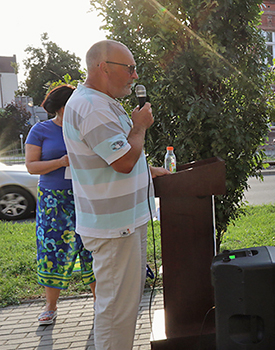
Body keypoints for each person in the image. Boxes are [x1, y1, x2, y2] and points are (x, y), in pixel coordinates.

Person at [62, 40, 168, 349]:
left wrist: (148, 172)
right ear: (103, 68)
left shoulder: (100, 102)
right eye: (130, 68)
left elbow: (105, 161)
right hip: (114, 228)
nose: (135, 76)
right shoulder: (92, 107)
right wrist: (140, 127)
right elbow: (122, 161)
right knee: (115, 313)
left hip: (123, 223)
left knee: (123, 308)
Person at [25, 85, 96, 326]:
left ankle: (100, 303)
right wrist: (61, 162)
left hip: (86, 196)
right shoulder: (41, 130)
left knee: (93, 248)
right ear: (64, 106)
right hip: (54, 202)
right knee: (53, 252)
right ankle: (50, 306)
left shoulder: (84, 129)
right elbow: (31, 166)